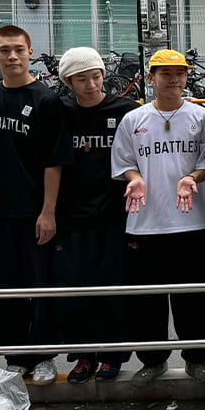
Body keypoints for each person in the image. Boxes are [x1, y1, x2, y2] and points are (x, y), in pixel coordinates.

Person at [111, 50, 205, 383]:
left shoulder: (200, 116)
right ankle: (152, 360)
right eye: (165, 73)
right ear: (151, 78)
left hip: (192, 222)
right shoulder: (134, 119)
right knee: (146, 300)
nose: (174, 79)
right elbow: (123, 163)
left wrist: (192, 178)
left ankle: (197, 359)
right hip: (144, 224)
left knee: (196, 298)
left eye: (179, 73)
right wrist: (135, 178)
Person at [0, 25, 73, 384]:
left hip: (34, 212)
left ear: (30, 52)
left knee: (41, 289)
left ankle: (44, 356)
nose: (12, 56)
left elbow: (54, 161)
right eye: (4, 50)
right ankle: (15, 356)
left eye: (19, 49)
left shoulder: (46, 100)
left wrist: (48, 211)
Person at [55, 47, 139, 384]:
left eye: (96, 76)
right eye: (81, 79)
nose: (91, 84)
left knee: (113, 288)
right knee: (76, 290)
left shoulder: (125, 110)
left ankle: (112, 355)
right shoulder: (60, 111)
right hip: (72, 215)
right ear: (68, 82)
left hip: (115, 214)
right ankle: (83, 355)